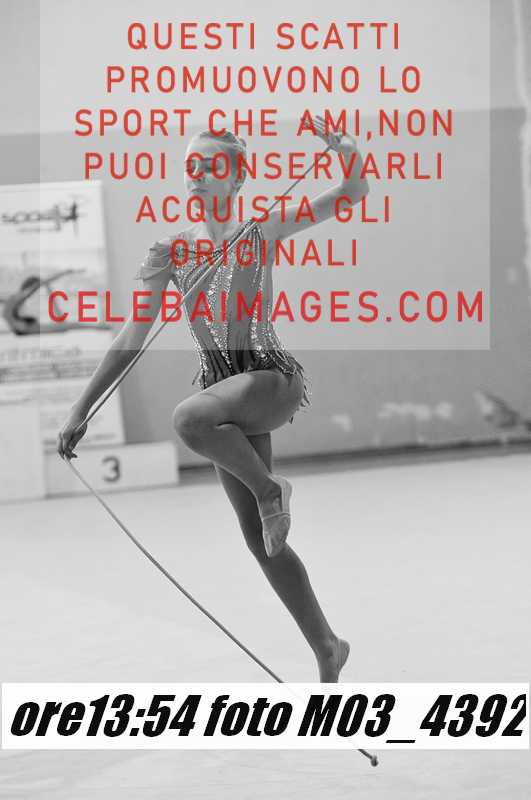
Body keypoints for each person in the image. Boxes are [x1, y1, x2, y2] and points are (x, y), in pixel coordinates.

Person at [57, 114, 369, 681]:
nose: (197, 174)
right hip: (222, 396)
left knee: (189, 417)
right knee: (260, 541)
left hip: (269, 380)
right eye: (190, 166)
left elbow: (352, 191)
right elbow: (132, 335)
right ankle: (327, 645)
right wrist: (81, 409)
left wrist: (343, 147)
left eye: (211, 166)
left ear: (238, 177)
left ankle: (271, 489)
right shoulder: (169, 252)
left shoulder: (261, 230)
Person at [2, 269, 110, 335]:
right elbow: (39, 284)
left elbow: (39, 285)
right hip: (26, 328)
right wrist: (62, 273)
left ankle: (102, 327)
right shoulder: (16, 299)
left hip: (25, 327)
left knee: (67, 324)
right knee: (70, 325)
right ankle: (102, 327)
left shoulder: (12, 304)